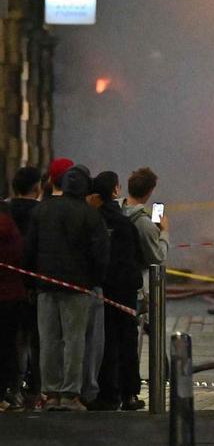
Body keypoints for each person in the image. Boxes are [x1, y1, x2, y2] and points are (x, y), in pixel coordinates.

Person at [23, 162, 109, 411]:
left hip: (45, 286)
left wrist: (30, 283)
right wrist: (94, 282)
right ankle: (70, 394)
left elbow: (29, 249)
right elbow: (100, 255)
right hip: (78, 288)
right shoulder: (90, 215)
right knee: (74, 340)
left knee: (49, 339)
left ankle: (50, 393)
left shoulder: (42, 210)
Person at [89, 173, 142, 410]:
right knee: (127, 340)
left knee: (104, 340)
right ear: (115, 191)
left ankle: (107, 394)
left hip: (101, 288)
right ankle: (130, 394)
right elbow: (138, 255)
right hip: (126, 290)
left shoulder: (92, 220)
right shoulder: (125, 223)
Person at [122, 166, 169, 411]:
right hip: (135, 287)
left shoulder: (115, 211)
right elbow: (157, 257)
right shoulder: (144, 223)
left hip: (110, 287)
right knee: (133, 340)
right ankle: (132, 391)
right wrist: (164, 232)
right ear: (150, 191)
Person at [4, 166, 40, 404]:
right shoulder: (41, 212)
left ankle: (12, 387)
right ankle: (35, 388)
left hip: (8, 286)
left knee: (12, 340)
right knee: (36, 339)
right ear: (37, 187)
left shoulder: (5, 209)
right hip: (35, 284)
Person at [0, 182, 25, 408]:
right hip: (12, 295)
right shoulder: (11, 227)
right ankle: (10, 390)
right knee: (9, 345)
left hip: (6, 294)